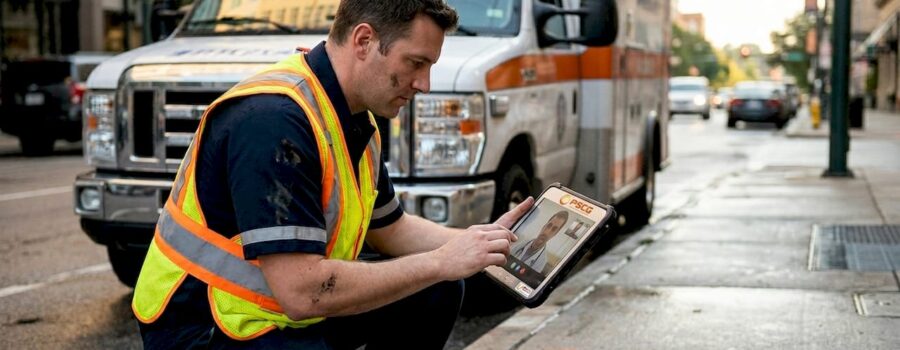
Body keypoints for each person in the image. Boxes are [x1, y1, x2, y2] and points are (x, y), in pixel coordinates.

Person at [131, 1, 534, 348]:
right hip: (207, 328)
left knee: (438, 289)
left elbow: (392, 229)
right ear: (363, 41)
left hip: (282, 312)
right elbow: (304, 293)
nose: (424, 84)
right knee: (434, 274)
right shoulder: (274, 122)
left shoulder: (355, 117)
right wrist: (441, 261)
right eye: (416, 63)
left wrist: (482, 245)